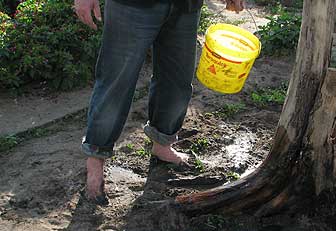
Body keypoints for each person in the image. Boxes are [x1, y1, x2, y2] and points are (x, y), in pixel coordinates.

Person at [74, 0, 245, 204]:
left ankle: (162, 144)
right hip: (131, 7)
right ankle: (95, 161)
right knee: (116, 81)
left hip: (185, 6)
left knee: (177, 80)